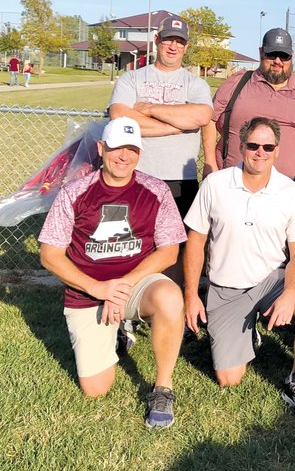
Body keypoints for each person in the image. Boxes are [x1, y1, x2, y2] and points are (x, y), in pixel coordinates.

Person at [38, 117, 186, 429]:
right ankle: (116, 330)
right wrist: (98, 288)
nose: (124, 156)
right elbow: (50, 255)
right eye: (117, 147)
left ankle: (163, 387)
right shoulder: (75, 191)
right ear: (102, 148)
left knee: (170, 297)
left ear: (140, 154)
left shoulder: (155, 190)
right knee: (96, 389)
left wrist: (122, 286)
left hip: (136, 283)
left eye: (132, 149)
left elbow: (169, 250)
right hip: (89, 290)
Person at [183, 117, 295, 420]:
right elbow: (195, 242)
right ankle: (247, 333)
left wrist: (291, 293)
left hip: (273, 279)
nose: (260, 152)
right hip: (227, 288)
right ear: (241, 147)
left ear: (277, 151)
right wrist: (190, 294)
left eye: (268, 147)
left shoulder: (290, 191)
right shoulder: (215, 184)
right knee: (229, 379)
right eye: (253, 145)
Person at [108, 16, 214, 223]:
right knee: (133, 239)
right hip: (136, 173)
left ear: (186, 45)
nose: (173, 46)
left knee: (177, 246)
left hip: (181, 178)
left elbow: (202, 116)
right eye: (168, 39)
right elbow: (120, 117)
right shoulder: (131, 78)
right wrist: (175, 125)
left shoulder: (196, 84)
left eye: (180, 41)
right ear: (156, 39)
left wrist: (148, 108)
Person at [210, 28, 295, 199]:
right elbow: (209, 121)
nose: (277, 61)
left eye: (284, 56)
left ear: (292, 55)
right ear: (261, 52)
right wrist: (210, 164)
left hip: (290, 189)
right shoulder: (238, 83)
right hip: (234, 185)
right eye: (271, 55)